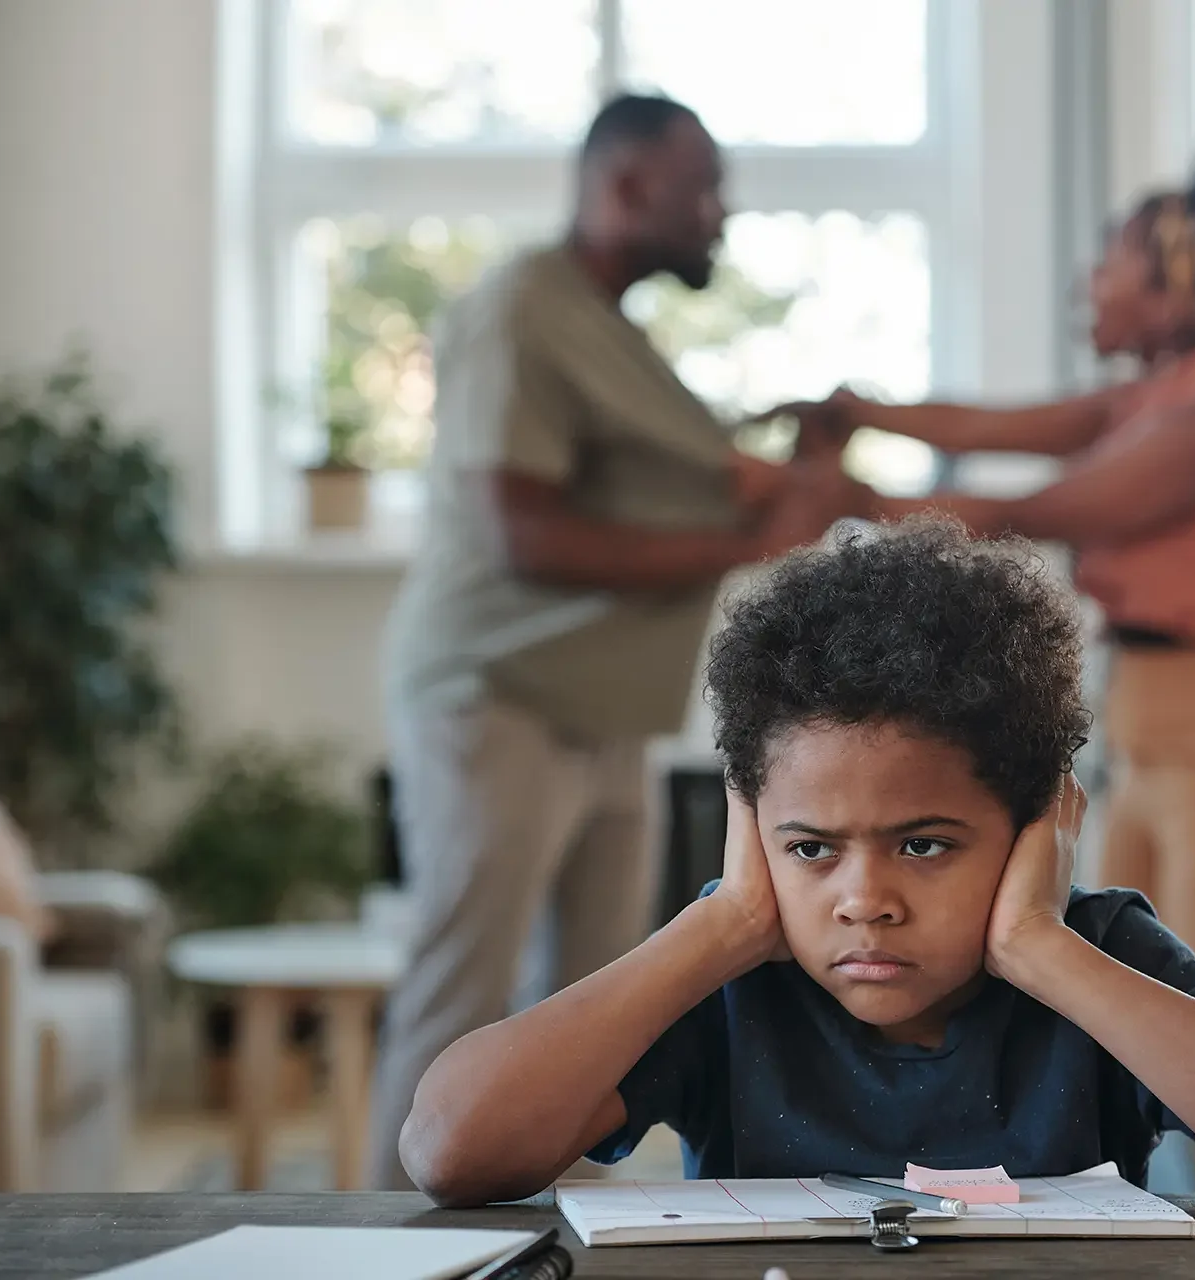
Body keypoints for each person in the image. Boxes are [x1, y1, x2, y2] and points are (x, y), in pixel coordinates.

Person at [397, 519, 1195, 1212]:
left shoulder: (1098, 949)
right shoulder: (733, 973)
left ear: (1035, 818)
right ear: (753, 827)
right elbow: (449, 1147)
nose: (863, 900)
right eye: (810, 847)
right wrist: (728, 921)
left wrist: (1040, 947)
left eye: (924, 844)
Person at [367, 93, 860, 1189]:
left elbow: (666, 485)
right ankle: (385, 1249)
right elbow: (522, 528)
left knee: (598, 1017)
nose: (721, 214)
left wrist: (790, 474)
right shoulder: (519, 309)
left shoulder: (611, 330)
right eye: (704, 189)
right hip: (499, 696)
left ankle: (559, 1246)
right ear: (627, 185)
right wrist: (753, 539)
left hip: (607, 713)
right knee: (462, 995)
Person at [789, 162, 1195, 1048]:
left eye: (1113, 258)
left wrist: (837, 499)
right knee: (1132, 1018)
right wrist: (861, 412)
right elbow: (991, 428)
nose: (1089, 281)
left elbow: (1036, 512)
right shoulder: (1148, 400)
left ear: (1181, 284)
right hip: (1161, 731)